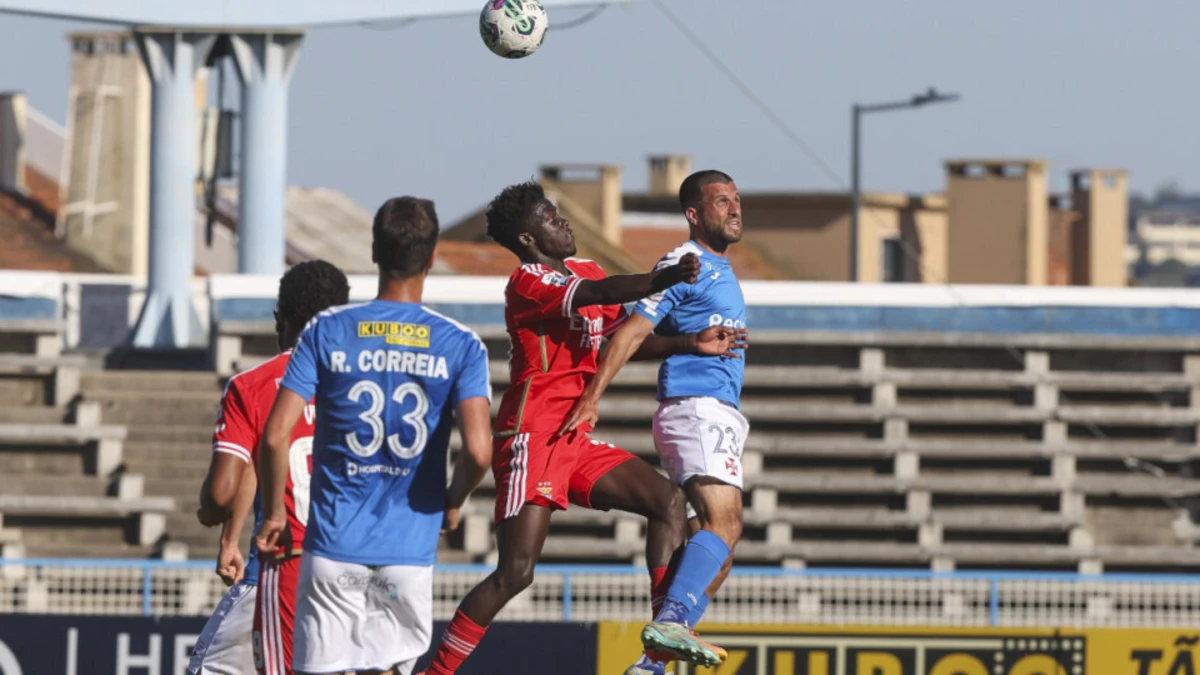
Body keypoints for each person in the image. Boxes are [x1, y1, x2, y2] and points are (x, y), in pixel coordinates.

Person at [419, 181, 747, 675]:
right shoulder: (529, 281)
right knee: (515, 573)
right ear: (529, 240)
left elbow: (625, 337)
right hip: (533, 435)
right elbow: (601, 292)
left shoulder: (584, 270)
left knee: (668, 502)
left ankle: (663, 635)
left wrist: (688, 343)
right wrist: (663, 279)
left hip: (573, 438)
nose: (564, 221)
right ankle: (435, 672)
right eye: (550, 217)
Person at [255, 196, 494, 675]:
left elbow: (276, 435)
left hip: (331, 551)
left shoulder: (327, 329)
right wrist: (453, 498)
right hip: (406, 556)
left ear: (373, 252)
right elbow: (478, 450)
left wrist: (277, 513)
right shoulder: (461, 344)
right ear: (431, 258)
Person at [561, 170, 749, 673]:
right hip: (695, 406)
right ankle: (669, 622)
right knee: (724, 523)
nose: (735, 210)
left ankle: (652, 663)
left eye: (737, 200)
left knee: (719, 546)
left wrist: (691, 341)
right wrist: (592, 397)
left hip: (715, 410)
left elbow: (646, 338)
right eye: (722, 202)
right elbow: (626, 335)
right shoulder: (682, 264)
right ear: (694, 214)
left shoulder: (717, 269)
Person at [196, 260, 351, 675]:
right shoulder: (366, 385)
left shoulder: (256, 385)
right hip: (365, 571)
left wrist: (212, 517)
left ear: (279, 320)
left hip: (283, 567)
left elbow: (222, 492)